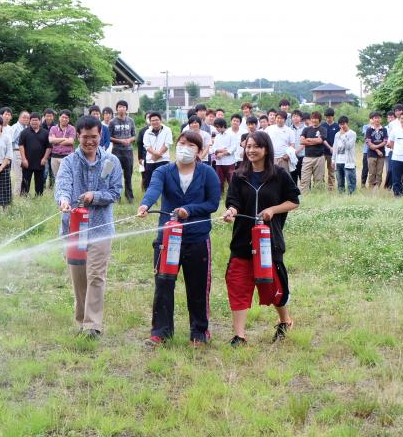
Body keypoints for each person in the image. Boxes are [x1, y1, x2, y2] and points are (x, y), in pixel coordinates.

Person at [138, 130, 221, 347]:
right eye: (182, 143)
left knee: (198, 285)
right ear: (176, 145)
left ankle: (199, 332)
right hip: (167, 239)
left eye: (191, 146)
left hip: (197, 239)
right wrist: (146, 204)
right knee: (164, 284)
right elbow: (154, 190)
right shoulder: (164, 171)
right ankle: (161, 332)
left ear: (199, 150)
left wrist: (189, 209)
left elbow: (212, 204)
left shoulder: (207, 173)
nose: (185, 148)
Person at [221, 130, 300, 348]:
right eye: (248, 146)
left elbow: (294, 201)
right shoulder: (239, 175)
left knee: (273, 285)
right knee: (238, 284)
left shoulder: (279, 174)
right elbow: (233, 201)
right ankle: (239, 335)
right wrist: (231, 211)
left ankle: (284, 321)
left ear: (266, 149)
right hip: (242, 242)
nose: (251, 150)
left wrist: (273, 210)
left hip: (269, 241)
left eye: (256, 146)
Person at [56, 115, 123, 339]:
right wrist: (64, 200)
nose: (89, 142)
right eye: (85, 137)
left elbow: (115, 192)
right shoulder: (68, 162)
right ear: (78, 136)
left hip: (101, 229)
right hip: (74, 230)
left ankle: (92, 326)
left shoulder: (111, 161)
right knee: (79, 278)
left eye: (94, 137)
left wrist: (94, 196)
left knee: (96, 276)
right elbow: (63, 186)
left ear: (100, 135)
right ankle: (81, 320)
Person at [108, 100, 136, 203]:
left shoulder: (131, 121)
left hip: (128, 151)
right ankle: (117, 197)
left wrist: (129, 140)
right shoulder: (112, 122)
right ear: (117, 109)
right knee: (116, 174)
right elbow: (109, 137)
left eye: (124, 107)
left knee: (128, 175)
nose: (122, 108)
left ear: (126, 109)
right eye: (120, 107)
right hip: (116, 151)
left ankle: (129, 197)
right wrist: (119, 140)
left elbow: (134, 135)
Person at [19, 113, 51, 197]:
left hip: (40, 161)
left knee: (39, 182)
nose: (34, 122)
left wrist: (44, 158)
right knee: (25, 181)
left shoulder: (45, 133)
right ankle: (24, 197)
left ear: (40, 121)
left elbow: (49, 147)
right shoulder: (24, 132)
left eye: (36, 120)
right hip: (27, 161)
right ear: (30, 121)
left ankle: (39, 198)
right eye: (32, 120)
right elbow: (21, 146)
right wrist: (24, 159)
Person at [142, 111, 172, 190]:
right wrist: (156, 155)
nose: (155, 122)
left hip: (164, 159)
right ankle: (151, 198)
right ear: (150, 121)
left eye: (156, 120)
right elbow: (147, 146)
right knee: (150, 181)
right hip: (150, 161)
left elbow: (167, 144)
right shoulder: (147, 132)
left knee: (165, 181)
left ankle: (165, 198)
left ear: (160, 120)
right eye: (152, 120)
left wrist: (158, 155)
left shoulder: (167, 130)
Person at [299, 111, 327, 192]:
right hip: (307, 158)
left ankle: (318, 197)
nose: (314, 120)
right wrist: (314, 141)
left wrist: (308, 139)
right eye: (312, 118)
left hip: (319, 158)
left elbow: (320, 140)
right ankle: (304, 197)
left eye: (316, 118)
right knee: (304, 180)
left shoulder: (323, 129)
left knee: (319, 180)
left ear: (319, 119)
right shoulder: (306, 129)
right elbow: (301, 141)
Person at [331, 116, 357, 194]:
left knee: (350, 181)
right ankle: (341, 196)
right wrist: (333, 160)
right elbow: (335, 147)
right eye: (340, 124)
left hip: (348, 161)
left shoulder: (352, 134)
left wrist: (343, 136)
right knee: (340, 181)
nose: (342, 126)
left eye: (344, 124)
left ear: (347, 123)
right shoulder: (337, 134)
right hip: (338, 161)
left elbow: (349, 146)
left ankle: (351, 196)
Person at [49, 110, 76, 183]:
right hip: (54, 156)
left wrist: (56, 141)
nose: (64, 119)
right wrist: (64, 139)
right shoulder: (53, 128)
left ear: (69, 119)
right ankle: (58, 193)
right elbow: (51, 140)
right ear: (59, 117)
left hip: (67, 156)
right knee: (57, 178)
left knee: (67, 177)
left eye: (66, 118)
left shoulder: (72, 128)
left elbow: (71, 141)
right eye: (63, 117)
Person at [211, 118, 237, 192]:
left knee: (231, 179)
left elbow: (233, 148)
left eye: (217, 127)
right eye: (216, 127)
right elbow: (214, 148)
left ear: (222, 125)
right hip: (219, 162)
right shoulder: (217, 136)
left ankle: (233, 194)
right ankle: (220, 195)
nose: (217, 129)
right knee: (219, 180)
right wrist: (219, 150)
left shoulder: (231, 134)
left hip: (229, 162)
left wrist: (222, 154)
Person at [365, 112, 388, 189]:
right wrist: (378, 150)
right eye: (375, 118)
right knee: (372, 172)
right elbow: (368, 142)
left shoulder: (384, 129)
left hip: (381, 155)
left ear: (381, 119)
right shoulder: (369, 129)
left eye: (378, 118)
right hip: (371, 154)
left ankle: (377, 187)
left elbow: (385, 141)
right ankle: (371, 187)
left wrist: (376, 146)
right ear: (372, 119)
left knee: (379, 172)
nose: (377, 119)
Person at [10, 111, 29, 197]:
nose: (26, 119)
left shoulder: (26, 127)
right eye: (24, 117)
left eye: (28, 118)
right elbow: (11, 140)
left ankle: (22, 193)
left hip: (25, 153)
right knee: (19, 176)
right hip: (17, 152)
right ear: (19, 118)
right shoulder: (16, 127)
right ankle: (15, 195)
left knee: (25, 175)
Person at [320, 108, 339, 191]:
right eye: (327, 117)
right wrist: (330, 147)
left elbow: (339, 139)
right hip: (323, 151)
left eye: (330, 117)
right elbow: (322, 139)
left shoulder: (337, 126)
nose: (328, 119)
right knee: (321, 171)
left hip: (333, 153)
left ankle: (331, 188)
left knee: (331, 171)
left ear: (333, 117)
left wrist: (333, 148)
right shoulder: (322, 126)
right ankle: (321, 187)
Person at [41, 108, 56, 188]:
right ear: (44, 117)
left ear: (53, 117)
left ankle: (51, 188)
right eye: (47, 116)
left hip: (54, 153)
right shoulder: (41, 126)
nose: (49, 118)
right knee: (45, 172)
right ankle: (42, 187)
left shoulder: (56, 126)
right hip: (44, 153)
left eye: (50, 116)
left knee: (53, 172)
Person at [291, 111, 306, 185]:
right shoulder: (289, 129)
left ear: (301, 118)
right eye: (293, 116)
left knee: (303, 176)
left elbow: (305, 142)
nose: (295, 118)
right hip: (292, 157)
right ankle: (294, 194)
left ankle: (306, 193)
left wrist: (296, 151)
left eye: (297, 116)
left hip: (303, 156)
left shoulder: (305, 128)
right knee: (293, 176)